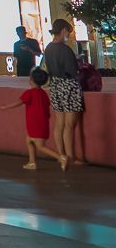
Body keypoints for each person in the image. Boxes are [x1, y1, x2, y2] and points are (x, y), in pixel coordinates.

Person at [41, 20, 85, 165]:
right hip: (69, 86)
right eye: (69, 33)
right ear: (64, 31)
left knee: (59, 124)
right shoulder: (65, 50)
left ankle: (62, 155)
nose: (69, 36)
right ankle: (72, 157)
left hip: (55, 85)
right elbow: (73, 71)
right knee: (70, 124)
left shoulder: (48, 48)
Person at [7, 69, 69, 171]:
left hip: (35, 124)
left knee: (40, 146)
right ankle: (32, 162)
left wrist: (6, 107)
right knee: (29, 141)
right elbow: (47, 108)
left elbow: (19, 102)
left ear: (31, 80)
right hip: (42, 123)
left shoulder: (29, 93)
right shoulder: (44, 94)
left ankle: (61, 157)